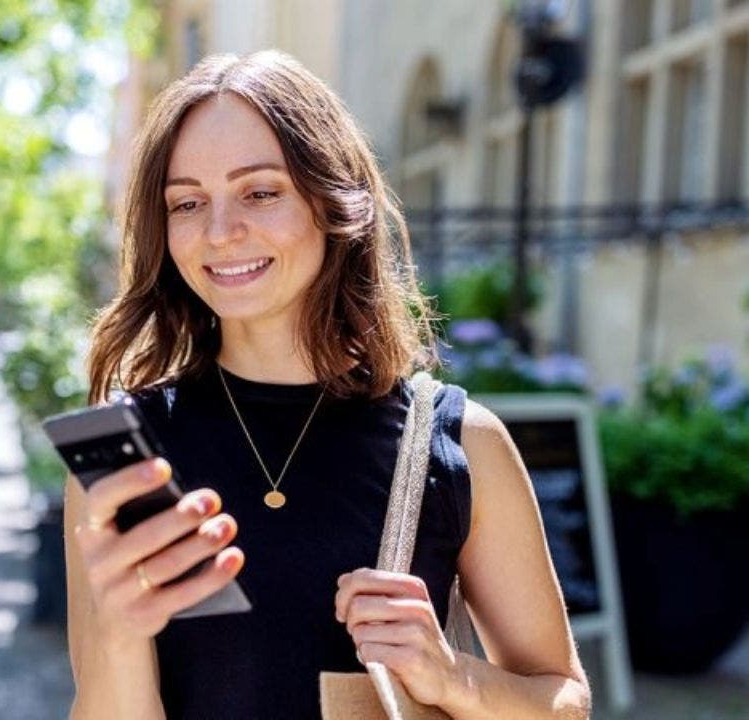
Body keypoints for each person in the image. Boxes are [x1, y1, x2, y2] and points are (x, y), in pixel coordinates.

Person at [64, 51, 591, 719]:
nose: (221, 232)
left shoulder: (458, 443)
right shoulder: (123, 456)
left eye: (260, 192)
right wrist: (118, 631)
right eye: (188, 202)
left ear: (334, 200)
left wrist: (451, 676)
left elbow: (566, 703)